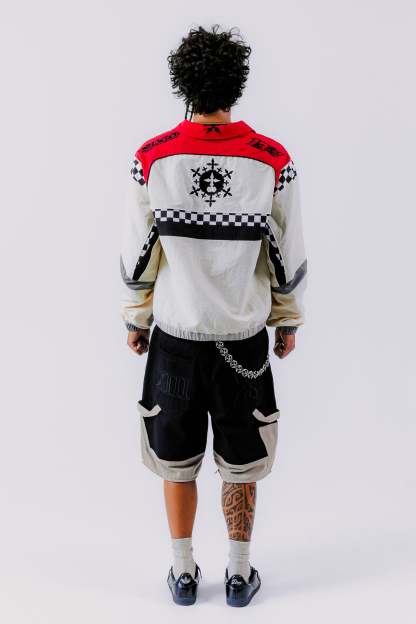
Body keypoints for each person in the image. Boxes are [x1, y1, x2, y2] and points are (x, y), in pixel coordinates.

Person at [119, 23, 307, 607]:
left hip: (175, 337)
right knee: (241, 460)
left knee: (176, 458)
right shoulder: (271, 160)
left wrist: (136, 318)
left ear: (184, 85)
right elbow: (286, 251)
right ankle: (238, 575)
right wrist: (287, 320)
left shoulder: (152, 158)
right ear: (237, 84)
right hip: (242, 338)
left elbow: (139, 252)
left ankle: (182, 573)